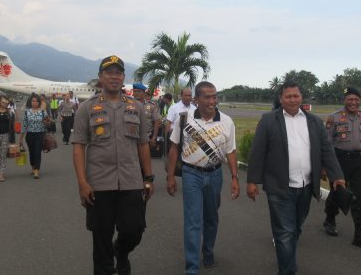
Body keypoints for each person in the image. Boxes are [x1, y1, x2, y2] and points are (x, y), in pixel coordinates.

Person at [247, 82, 345, 275]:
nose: (293, 99)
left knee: (296, 227)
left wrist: (337, 176)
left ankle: (287, 259)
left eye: (296, 96)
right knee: (284, 232)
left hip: (306, 186)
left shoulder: (314, 122)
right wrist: (252, 181)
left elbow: (327, 150)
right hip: (279, 186)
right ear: (281, 99)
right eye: (288, 96)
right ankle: (287, 270)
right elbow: (257, 152)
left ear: (301, 98)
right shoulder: (268, 120)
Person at [70, 55, 154, 275]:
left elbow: (143, 145)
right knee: (101, 237)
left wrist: (148, 178)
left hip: (131, 181)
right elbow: (78, 146)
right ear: (100, 77)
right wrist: (82, 182)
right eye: (109, 72)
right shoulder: (86, 109)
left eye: (118, 73)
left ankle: (122, 252)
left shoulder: (136, 108)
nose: (114, 77)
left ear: (124, 77)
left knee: (134, 230)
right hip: (99, 183)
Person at [166, 81, 239, 275]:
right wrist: (170, 176)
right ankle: (192, 267)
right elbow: (174, 147)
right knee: (193, 221)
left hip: (215, 174)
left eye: (215, 96)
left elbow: (231, 151)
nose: (212, 100)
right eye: (207, 97)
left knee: (211, 218)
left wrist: (234, 177)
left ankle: (208, 252)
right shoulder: (184, 118)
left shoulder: (226, 121)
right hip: (191, 174)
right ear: (196, 100)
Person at [323, 87, 361, 251]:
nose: (353, 102)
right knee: (337, 193)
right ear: (344, 100)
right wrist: (325, 166)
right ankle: (330, 220)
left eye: (356, 99)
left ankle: (359, 236)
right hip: (339, 161)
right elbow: (326, 144)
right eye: (350, 99)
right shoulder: (334, 118)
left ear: (360, 101)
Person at [19, 93, 49, 179]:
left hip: (40, 134)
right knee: (31, 152)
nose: (34, 102)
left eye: (36, 101)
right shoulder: (27, 112)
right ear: (30, 102)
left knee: (37, 152)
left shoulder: (43, 111)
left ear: (39, 102)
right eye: (33, 101)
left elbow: (48, 122)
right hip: (30, 135)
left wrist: (47, 122)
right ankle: (33, 166)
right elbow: (24, 125)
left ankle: (36, 170)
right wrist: (21, 139)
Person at [132, 83, 161, 148]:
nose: (136, 93)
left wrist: (154, 137)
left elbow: (156, 121)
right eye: (135, 91)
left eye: (139, 91)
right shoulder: (127, 105)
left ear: (144, 93)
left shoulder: (151, 106)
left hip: (147, 136)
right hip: (131, 137)